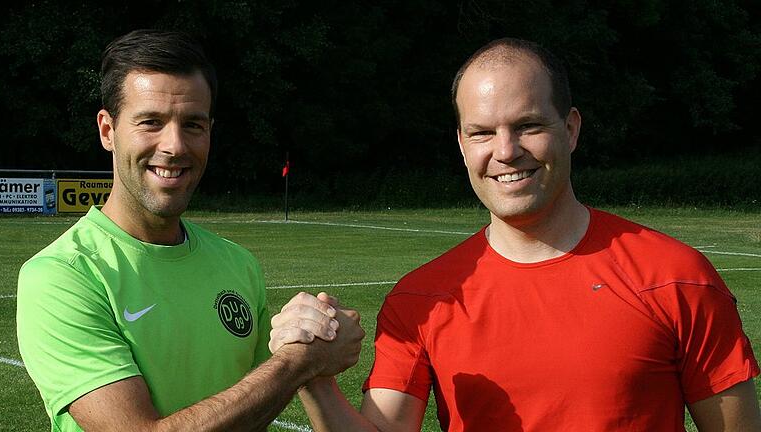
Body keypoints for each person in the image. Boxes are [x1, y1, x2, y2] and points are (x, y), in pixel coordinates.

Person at [269, 38, 761, 431]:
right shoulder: (421, 298)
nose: (505, 151)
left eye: (527, 125)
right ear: (462, 145)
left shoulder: (675, 277)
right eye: (482, 132)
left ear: (570, 129)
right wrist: (312, 377)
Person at [16, 29, 364, 432]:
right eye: (151, 122)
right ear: (107, 131)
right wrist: (294, 364)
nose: (175, 145)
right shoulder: (62, 276)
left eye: (193, 125)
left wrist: (310, 341)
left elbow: (252, 410)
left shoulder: (238, 264)